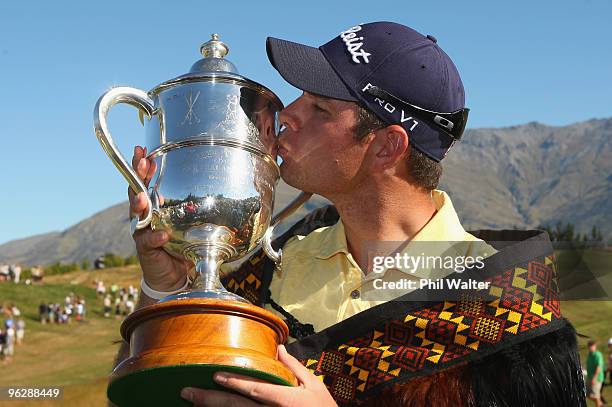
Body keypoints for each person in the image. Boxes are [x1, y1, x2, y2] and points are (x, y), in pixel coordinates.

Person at [117, 22, 585, 406]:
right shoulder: (263, 273)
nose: (288, 114)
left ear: (386, 147)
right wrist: (166, 289)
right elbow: (143, 394)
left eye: (319, 106)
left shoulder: (506, 307)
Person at [587, 340, 605, 407]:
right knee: (587, 394)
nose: (590, 347)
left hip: (597, 378)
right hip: (590, 378)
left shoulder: (597, 355)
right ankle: (601, 405)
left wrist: (594, 378)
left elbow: (599, 367)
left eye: (592, 346)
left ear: (595, 346)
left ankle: (600, 404)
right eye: (589, 346)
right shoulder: (589, 355)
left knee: (595, 396)